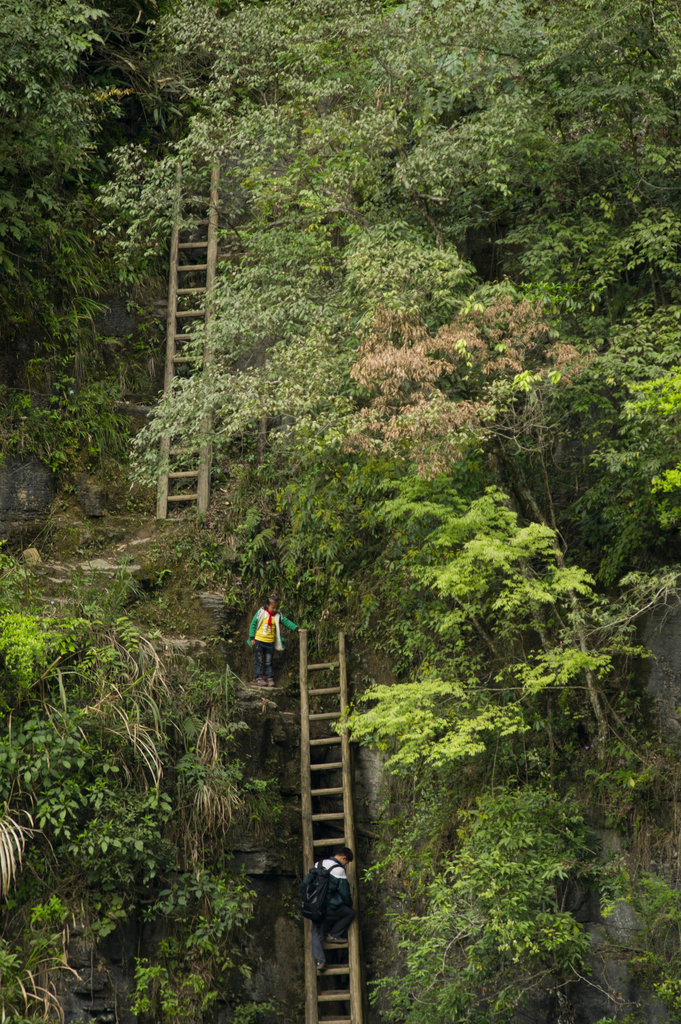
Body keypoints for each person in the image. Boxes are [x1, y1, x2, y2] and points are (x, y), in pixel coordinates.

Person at [306, 846, 355, 971]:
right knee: (349, 913)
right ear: (343, 858)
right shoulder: (339, 870)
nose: (346, 865)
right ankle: (334, 934)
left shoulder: (318, 864)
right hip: (328, 907)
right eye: (347, 862)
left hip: (313, 905)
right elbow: (345, 893)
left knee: (317, 932)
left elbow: (307, 884)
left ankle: (320, 962)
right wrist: (349, 904)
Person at [247, 592, 298, 687]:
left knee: (268, 661)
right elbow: (253, 624)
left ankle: (269, 677)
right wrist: (252, 637)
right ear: (267, 605)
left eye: (276, 608)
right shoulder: (261, 612)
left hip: (270, 642)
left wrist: (296, 628)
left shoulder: (278, 615)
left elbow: (286, 622)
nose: (275, 610)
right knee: (259, 659)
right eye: (273, 608)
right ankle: (258, 677)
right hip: (259, 641)